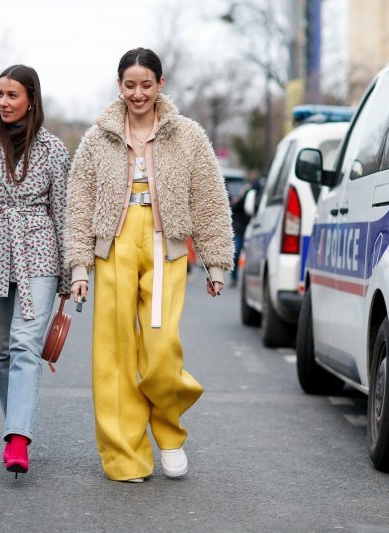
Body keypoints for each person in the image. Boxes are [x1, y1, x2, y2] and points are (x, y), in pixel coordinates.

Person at [66, 48, 234, 482]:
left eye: (146, 84)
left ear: (161, 84)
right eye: (129, 85)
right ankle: (126, 457)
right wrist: (80, 267)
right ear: (119, 86)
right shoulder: (98, 137)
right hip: (115, 245)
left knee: (160, 351)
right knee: (114, 354)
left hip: (165, 246)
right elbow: (80, 203)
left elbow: (210, 200)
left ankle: (169, 432)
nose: (137, 93)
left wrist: (215, 262)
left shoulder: (187, 135)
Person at [0, 65, 71, 477]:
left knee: (27, 345)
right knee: (3, 349)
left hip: (38, 249)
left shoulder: (53, 150)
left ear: (31, 99)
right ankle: (17, 425)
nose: (4, 102)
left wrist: (67, 276)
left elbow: (61, 210)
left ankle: (17, 439)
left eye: (12, 95)